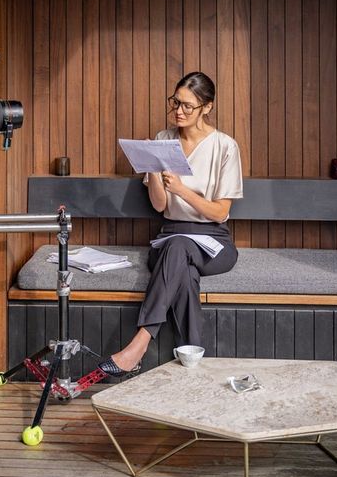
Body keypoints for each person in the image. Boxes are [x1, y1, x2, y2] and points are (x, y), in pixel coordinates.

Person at [98, 72, 244, 377]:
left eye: (187, 106)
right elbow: (161, 206)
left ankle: (140, 343)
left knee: (182, 251)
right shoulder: (163, 140)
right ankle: (191, 360)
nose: (178, 111)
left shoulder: (224, 146)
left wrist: (182, 190)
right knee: (184, 269)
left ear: (207, 107)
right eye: (175, 103)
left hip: (212, 241)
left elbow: (219, 213)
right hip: (170, 237)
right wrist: (153, 170)